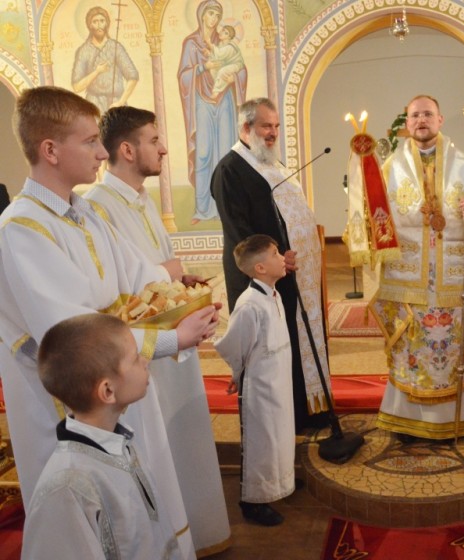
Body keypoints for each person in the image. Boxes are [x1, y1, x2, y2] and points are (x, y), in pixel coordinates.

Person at [0, 86, 216, 558]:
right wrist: (172, 338)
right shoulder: (21, 228)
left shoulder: (82, 214)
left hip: (118, 379)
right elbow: (75, 337)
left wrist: (184, 300)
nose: (102, 152)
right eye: (90, 141)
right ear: (50, 150)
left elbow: (140, 276)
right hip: (69, 405)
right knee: (92, 524)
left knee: (137, 507)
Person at [84, 106, 231, 555]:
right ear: (128, 150)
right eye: (154, 140)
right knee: (158, 449)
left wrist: (181, 285)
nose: (164, 148)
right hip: (140, 353)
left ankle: (196, 529)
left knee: (183, 439)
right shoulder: (97, 207)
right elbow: (117, 286)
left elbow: (158, 271)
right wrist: (168, 273)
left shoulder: (142, 199)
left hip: (172, 343)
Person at [365, 94, 464, 440]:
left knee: (457, 345)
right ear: (407, 122)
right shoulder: (390, 168)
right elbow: (371, 214)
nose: (421, 120)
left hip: (453, 278)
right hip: (408, 276)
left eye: (427, 114)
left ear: (440, 120)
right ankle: (409, 420)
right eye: (415, 115)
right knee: (412, 347)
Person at [211, 97, 329, 433]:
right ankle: (279, 422)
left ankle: (305, 412)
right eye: (266, 126)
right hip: (259, 277)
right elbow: (239, 232)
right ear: (246, 127)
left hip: (287, 274)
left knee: (292, 339)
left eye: (276, 126)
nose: (273, 132)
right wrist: (273, 258)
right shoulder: (230, 170)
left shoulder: (271, 164)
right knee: (269, 347)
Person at [21, 314, 182, 559]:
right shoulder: (67, 486)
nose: (146, 360)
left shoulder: (119, 441)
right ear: (107, 390)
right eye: (135, 358)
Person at [215, 235, 297, 527]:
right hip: (262, 386)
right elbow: (235, 345)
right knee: (262, 441)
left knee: (280, 435)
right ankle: (253, 501)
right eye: (275, 254)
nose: (282, 258)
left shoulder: (273, 294)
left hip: (279, 380)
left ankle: (279, 484)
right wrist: (237, 374)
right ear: (260, 268)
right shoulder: (250, 304)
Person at [178, 0, 247, 223]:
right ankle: (203, 209)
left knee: (226, 151)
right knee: (204, 152)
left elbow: (241, 67)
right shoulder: (191, 43)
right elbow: (183, 76)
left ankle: (226, 209)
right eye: (210, 14)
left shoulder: (225, 41)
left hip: (224, 99)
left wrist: (234, 76)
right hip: (202, 101)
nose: (214, 19)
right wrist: (202, 67)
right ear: (201, 15)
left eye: (217, 15)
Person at [71, 6, 139, 112]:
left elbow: (133, 76)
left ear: (107, 23)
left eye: (102, 21)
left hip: (116, 103)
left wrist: (121, 101)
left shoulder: (115, 47)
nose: (99, 25)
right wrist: (97, 72)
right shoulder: (83, 51)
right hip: (94, 104)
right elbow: (77, 87)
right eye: (95, 22)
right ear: (89, 25)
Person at [203, 25, 245, 98]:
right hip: (226, 63)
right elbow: (217, 57)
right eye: (223, 30)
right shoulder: (221, 44)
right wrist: (209, 54)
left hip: (236, 64)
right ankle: (219, 85)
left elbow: (219, 54)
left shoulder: (230, 47)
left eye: (226, 33)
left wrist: (209, 43)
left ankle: (216, 92)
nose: (222, 33)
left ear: (229, 37)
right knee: (213, 68)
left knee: (223, 71)